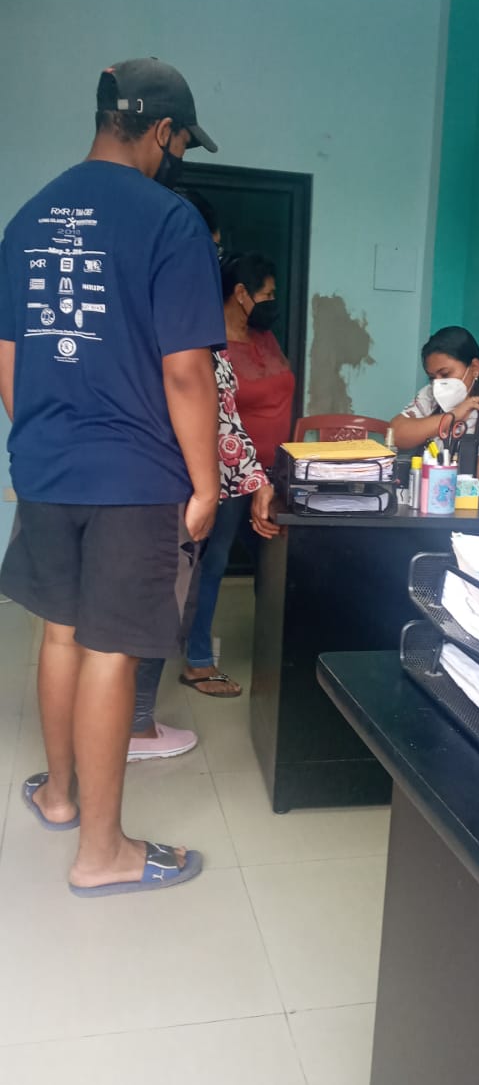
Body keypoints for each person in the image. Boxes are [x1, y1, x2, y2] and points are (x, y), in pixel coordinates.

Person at [0, 57, 225, 896]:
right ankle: (103, 854)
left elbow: (9, 355)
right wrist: (205, 484)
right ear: (161, 131)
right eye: (181, 143)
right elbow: (186, 372)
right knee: (112, 651)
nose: (177, 158)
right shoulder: (170, 221)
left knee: (61, 631)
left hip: (46, 466)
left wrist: (45, 441)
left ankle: (59, 795)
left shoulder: (28, 216)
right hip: (135, 475)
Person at [128, 198, 278, 758]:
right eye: (209, 247)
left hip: (133, 481)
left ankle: (125, 722)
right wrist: (232, 483)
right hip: (179, 486)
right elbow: (219, 420)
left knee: (130, 603)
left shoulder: (134, 311)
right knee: (163, 597)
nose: (211, 260)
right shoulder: (186, 327)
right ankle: (135, 726)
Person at [177, 250, 295, 696]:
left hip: (274, 473)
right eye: (267, 293)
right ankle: (197, 660)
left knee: (276, 560)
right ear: (241, 294)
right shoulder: (210, 344)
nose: (273, 302)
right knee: (214, 562)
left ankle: (278, 648)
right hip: (230, 473)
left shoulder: (266, 336)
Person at [390, 325, 479, 481]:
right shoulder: (430, 395)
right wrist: (452, 417)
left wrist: (436, 477)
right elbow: (395, 434)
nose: (437, 384)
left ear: (475, 368)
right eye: (432, 377)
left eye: (445, 374)